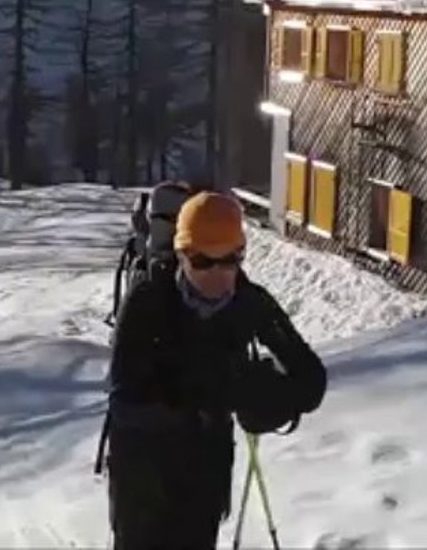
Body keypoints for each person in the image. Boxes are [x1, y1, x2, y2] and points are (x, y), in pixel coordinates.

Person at [106, 190, 327, 549]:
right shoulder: (147, 300)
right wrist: (205, 397)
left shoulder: (248, 302)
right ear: (181, 255)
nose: (219, 274)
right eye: (203, 262)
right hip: (143, 484)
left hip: (203, 481)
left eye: (230, 260)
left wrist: (270, 400)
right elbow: (122, 400)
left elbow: (311, 380)